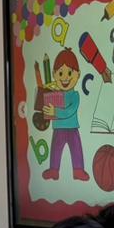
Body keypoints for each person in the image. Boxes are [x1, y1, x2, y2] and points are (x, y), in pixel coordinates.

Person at [42, 47, 88, 182]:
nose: (65, 78)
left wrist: (55, 111)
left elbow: (70, 111)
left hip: (72, 127)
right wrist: (45, 108)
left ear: (78, 74)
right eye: (60, 73)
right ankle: (54, 170)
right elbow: (47, 110)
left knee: (76, 148)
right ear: (54, 74)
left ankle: (78, 170)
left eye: (69, 73)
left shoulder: (75, 95)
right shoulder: (55, 94)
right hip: (58, 128)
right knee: (56, 149)